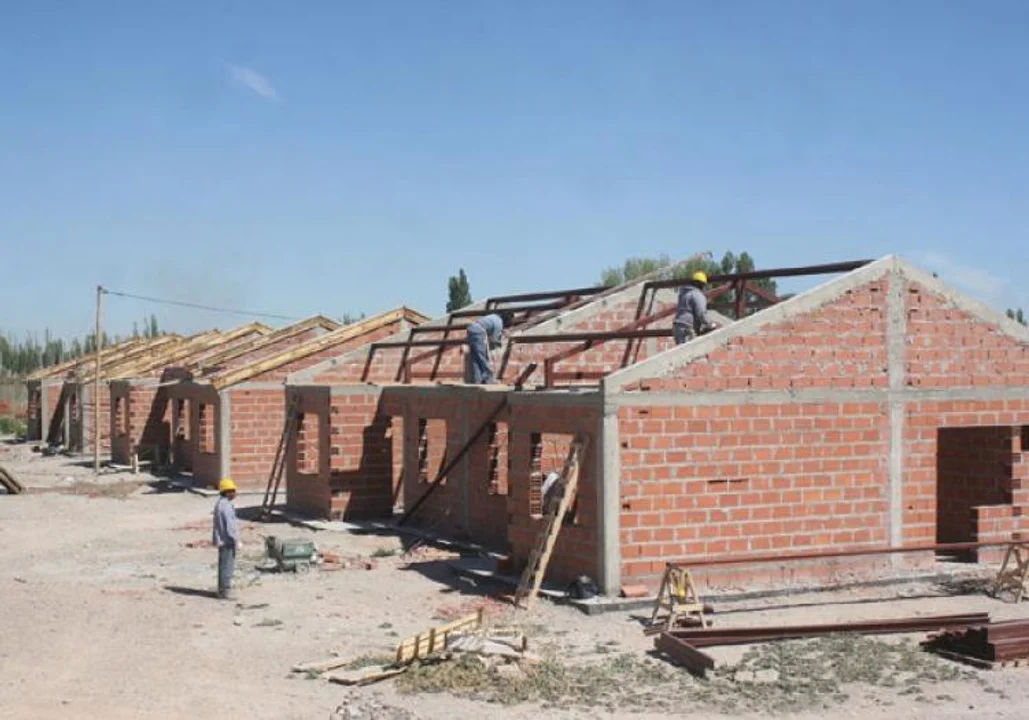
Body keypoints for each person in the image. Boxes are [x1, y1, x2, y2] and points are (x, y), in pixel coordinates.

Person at [466, 311, 513, 384]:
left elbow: (490, 334)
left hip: (471, 329)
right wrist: (501, 343)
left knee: (476, 357)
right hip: (478, 331)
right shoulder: (499, 323)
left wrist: (500, 334)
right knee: (483, 356)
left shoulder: (494, 316)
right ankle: (489, 379)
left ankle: (477, 380)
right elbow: (494, 340)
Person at [212, 477, 240, 600]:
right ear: (227, 492)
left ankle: (222, 590)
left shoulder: (221, 504)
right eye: (233, 491)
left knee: (223, 565)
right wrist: (236, 540)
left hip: (222, 539)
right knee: (227, 566)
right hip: (227, 540)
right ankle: (224, 591)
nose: (235, 493)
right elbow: (230, 526)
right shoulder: (226, 507)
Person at [673, 271, 716, 344]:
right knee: (691, 350)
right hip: (688, 328)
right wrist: (710, 324)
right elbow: (701, 313)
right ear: (701, 284)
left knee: (681, 350)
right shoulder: (697, 294)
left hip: (678, 326)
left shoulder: (683, 293)